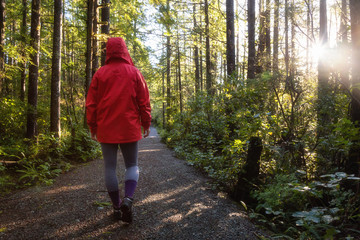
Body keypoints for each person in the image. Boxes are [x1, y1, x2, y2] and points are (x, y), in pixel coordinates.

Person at [86, 37, 151, 223]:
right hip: (129, 127)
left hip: (106, 128)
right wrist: (146, 123)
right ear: (124, 50)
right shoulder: (134, 72)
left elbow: (91, 104)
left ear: (109, 51)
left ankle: (116, 206)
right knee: (132, 165)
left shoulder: (100, 73)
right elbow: (144, 101)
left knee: (109, 168)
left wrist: (93, 126)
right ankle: (128, 199)